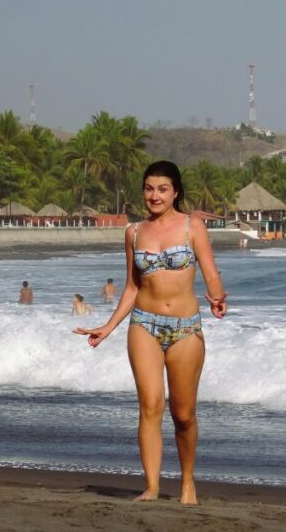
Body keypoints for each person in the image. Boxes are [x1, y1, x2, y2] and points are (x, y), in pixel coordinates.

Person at [75, 160, 227, 506]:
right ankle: (152, 486)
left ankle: (187, 481)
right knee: (149, 405)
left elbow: (210, 272)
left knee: (183, 414)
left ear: (175, 192)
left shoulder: (193, 227)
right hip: (143, 324)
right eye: (148, 188)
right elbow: (131, 287)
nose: (154, 196)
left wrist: (218, 298)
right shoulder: (133, 232)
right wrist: (108, 327)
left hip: (186, 330)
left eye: (162, 189)